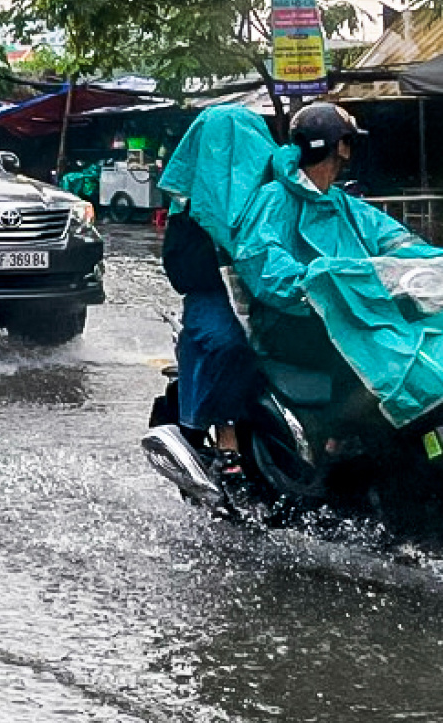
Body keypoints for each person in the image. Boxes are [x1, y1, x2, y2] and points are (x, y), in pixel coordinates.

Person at [230, 103, 425, 369]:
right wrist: (321, 282)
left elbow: (393, 238)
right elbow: (262, 261)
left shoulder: (341, 202)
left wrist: (433, 263)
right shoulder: (274, 199)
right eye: (348, 142)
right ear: (341, 146)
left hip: (355, 313)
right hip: (298, 325)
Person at [164, 203, 261, 488]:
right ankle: (226, 440)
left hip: (285, 289)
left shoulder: (292, 195)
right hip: (212, 293)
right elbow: (179, 268)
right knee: (230, 345)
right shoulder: (198, 197)